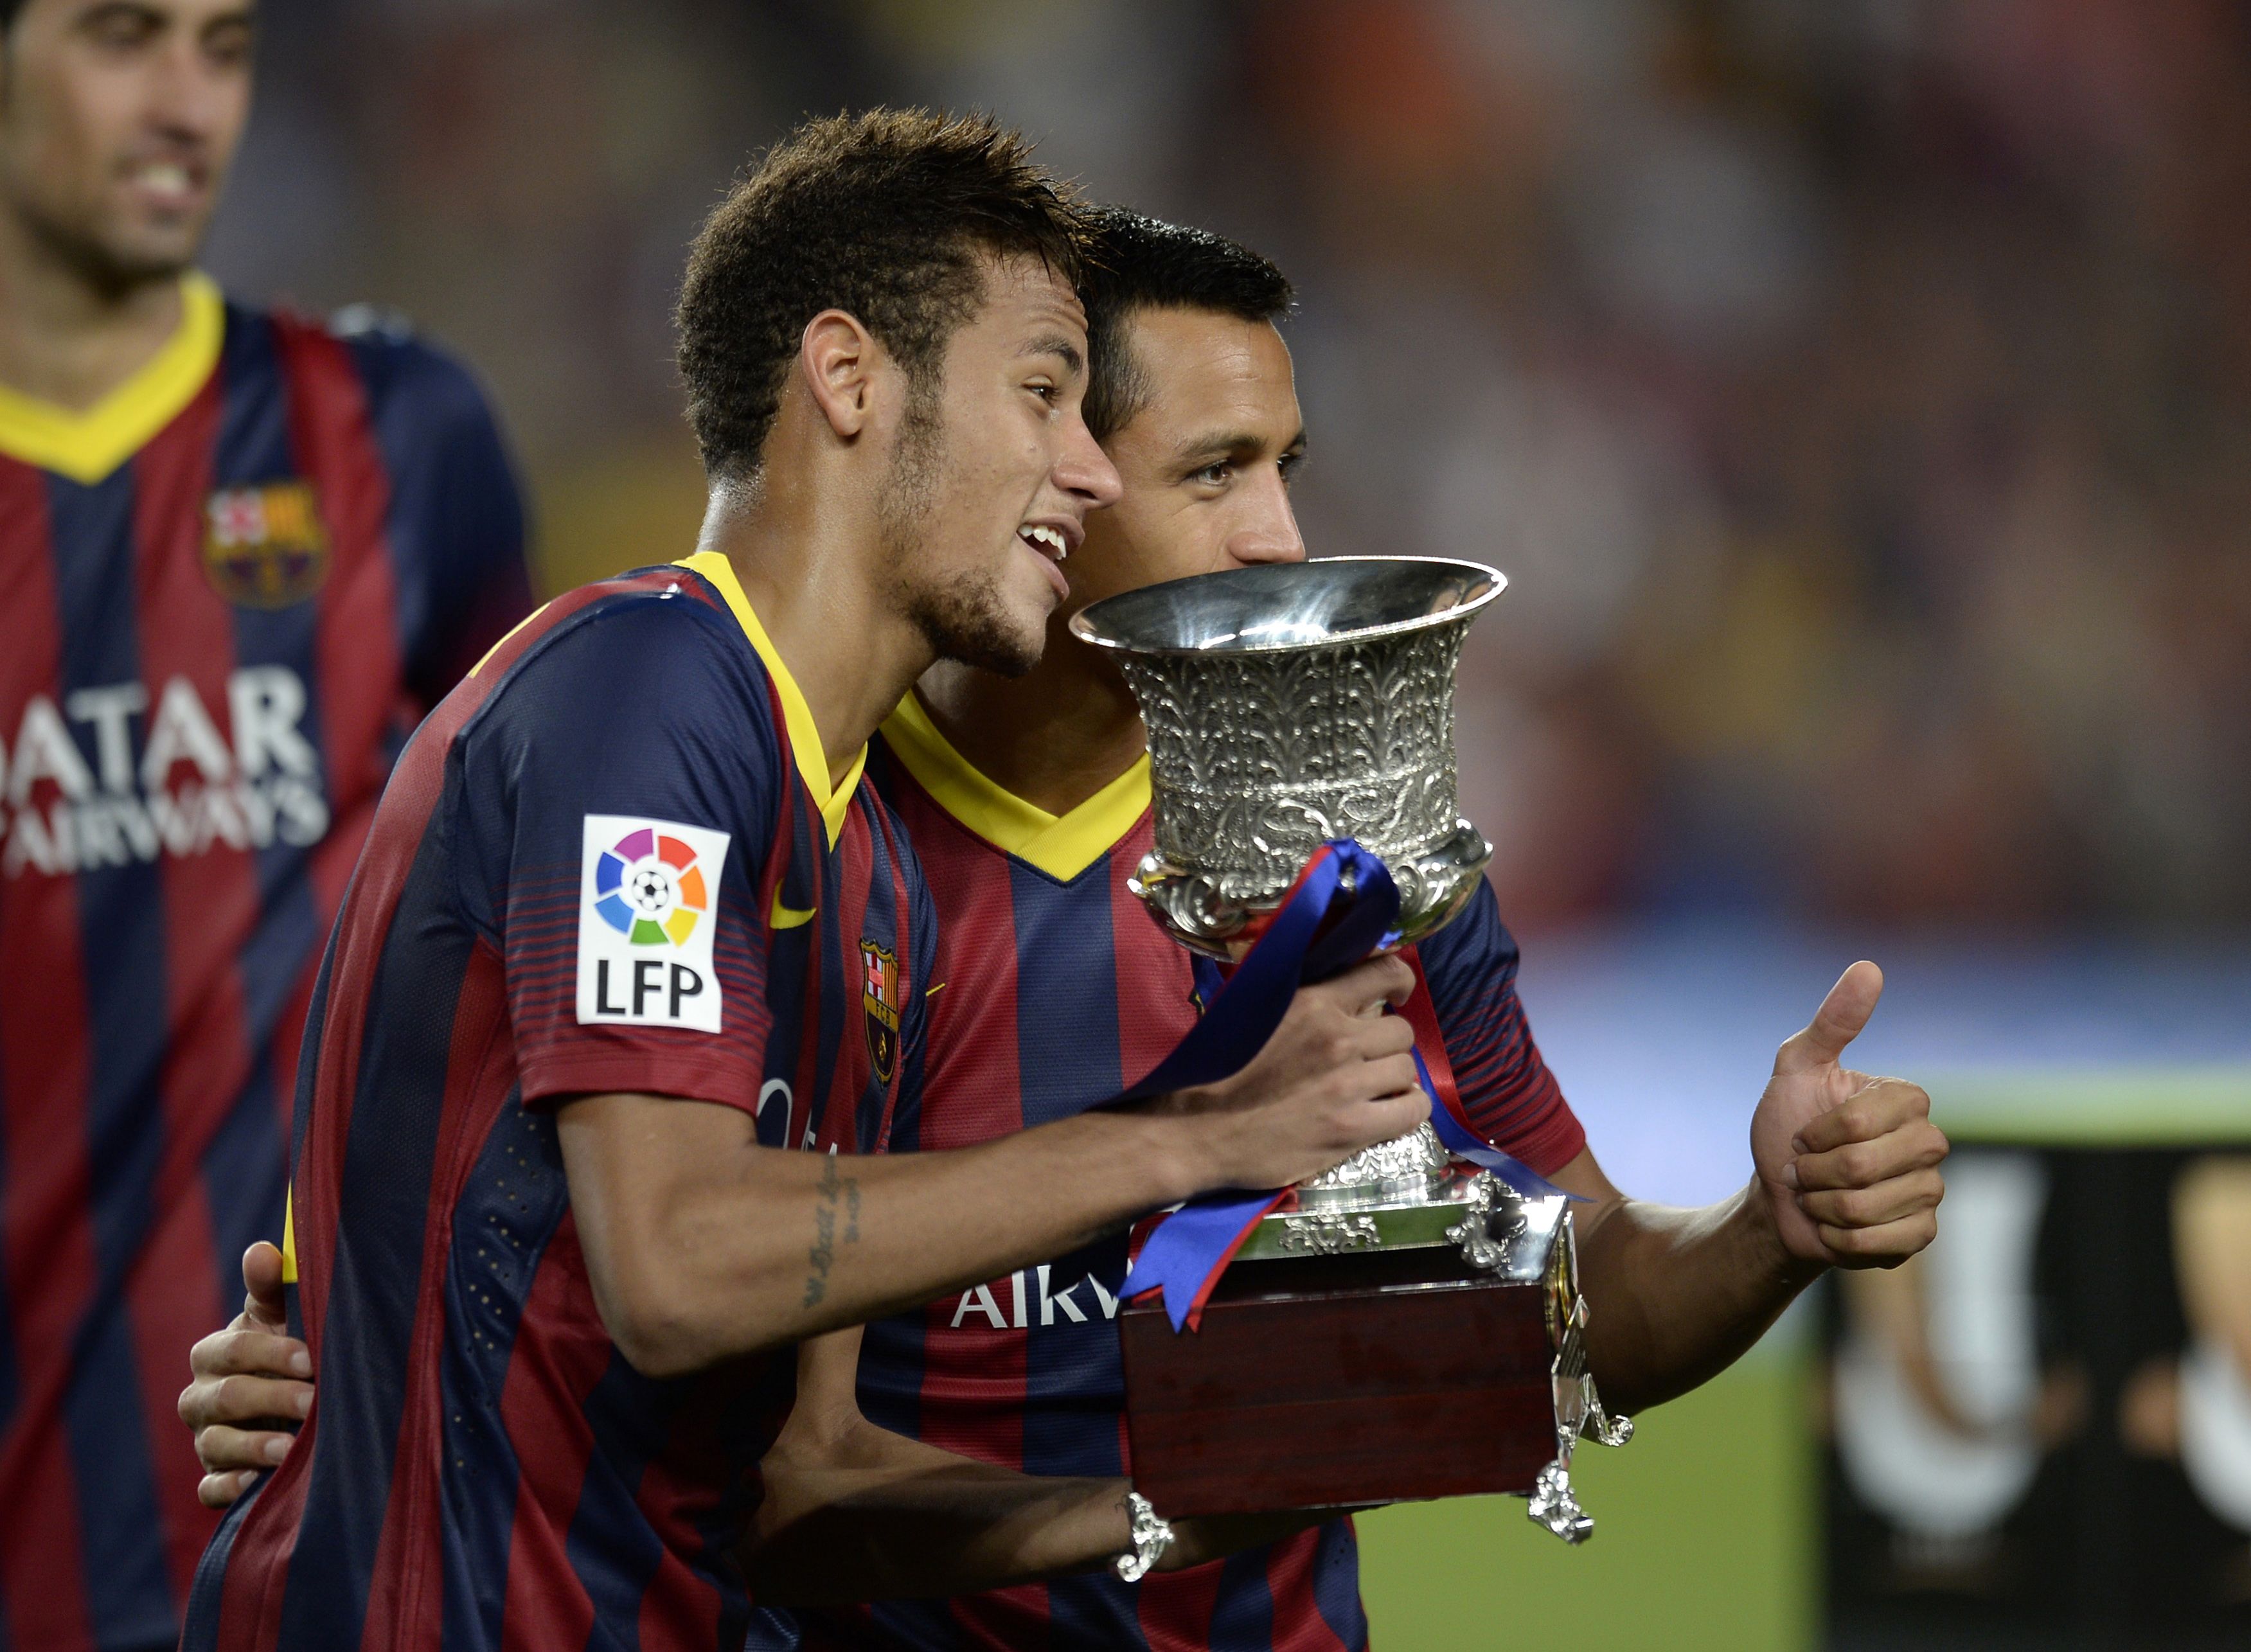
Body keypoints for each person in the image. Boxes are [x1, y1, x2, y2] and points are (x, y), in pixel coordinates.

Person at [184, 204, 1952, 1648]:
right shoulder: (806, 831)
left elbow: (1574, 1290)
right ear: (1067, 476)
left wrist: (1765, 1227)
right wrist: (335, 1366)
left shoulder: (1358, 859)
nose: (1280, 535)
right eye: (1209, 471)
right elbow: (702, 1352)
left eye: (1286, 464)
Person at [176, 114, 1432, 1652]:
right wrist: (1202, 1134)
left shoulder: (863, 868)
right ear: (848, 379)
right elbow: (680, 1265)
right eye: (1042, 389)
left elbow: (804, 1479)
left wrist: (1180, 1503)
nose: (1089, 466)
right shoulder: (640, 697)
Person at [0, 0, 530, 1647]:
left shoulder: (396, 436)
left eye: (224, 49)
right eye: (122, 37)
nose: (187, 104)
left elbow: (521, 940)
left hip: (370, 1535)